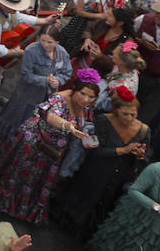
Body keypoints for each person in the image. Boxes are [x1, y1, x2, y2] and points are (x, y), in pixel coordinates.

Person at [0, 71, 103, 224]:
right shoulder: (59, 99)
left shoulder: (86, 107)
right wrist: (67, 125)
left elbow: (86, 123)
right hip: (33, 142)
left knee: (34, 180)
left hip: (52, 151)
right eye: (83, 94)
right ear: (75, 88)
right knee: (20, 175)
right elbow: (50, 116)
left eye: (91, 97)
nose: (86, 99)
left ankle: (22, 210)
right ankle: (3, 203)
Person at [51, 85, 150, 239]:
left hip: (116, 179)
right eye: (125, 114)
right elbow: (94, 150)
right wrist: (122, 150)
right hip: (94, 172)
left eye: (133, 114)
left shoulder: (144, 130)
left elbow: (145, 159)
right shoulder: (103, 121)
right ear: (115, 110)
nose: (129, 118)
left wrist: (140, 155)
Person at [0, 23, 72, 139]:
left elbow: (67, 72)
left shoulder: (62, 53)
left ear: (57, 43)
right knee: (13, 119)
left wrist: (58, 80)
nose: (45, 44)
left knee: (31, 124)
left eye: (50, 42)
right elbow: (26, 75)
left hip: (47, 97)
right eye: (42, 40)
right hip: (26, 94)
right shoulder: (31, 51)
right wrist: (46, 81)